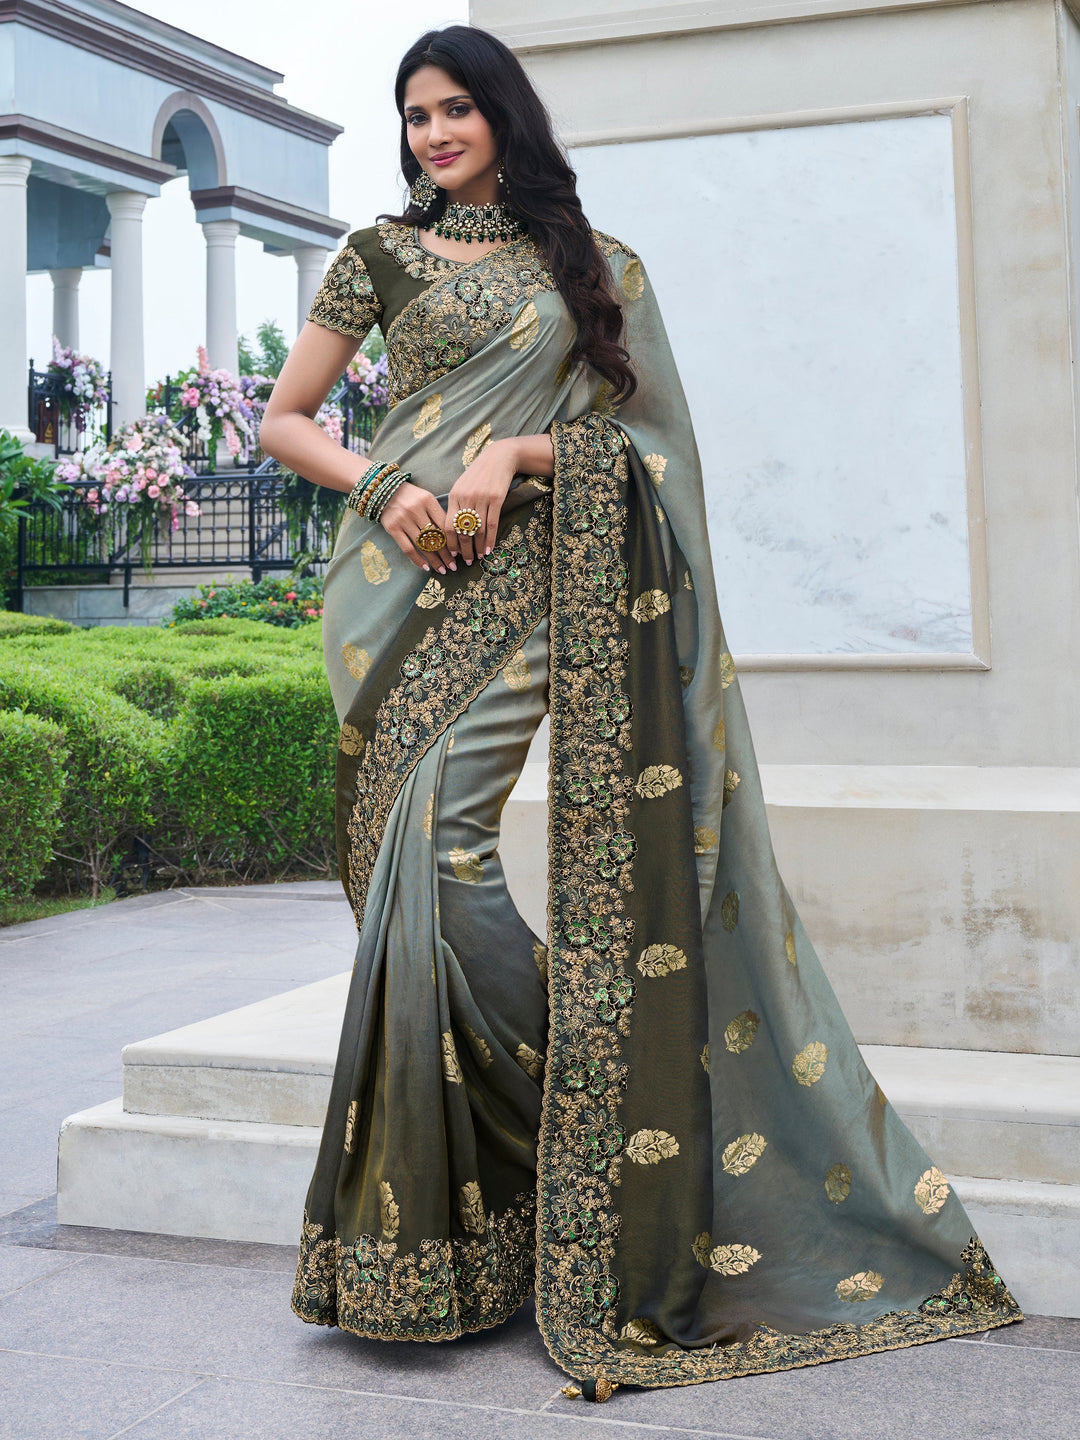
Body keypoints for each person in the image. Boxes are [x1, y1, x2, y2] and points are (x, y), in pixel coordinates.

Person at [258, 22, 1021, 1403]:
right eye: (414, 114)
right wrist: (384, 485)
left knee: (442, 859)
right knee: (391, 875)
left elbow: (656, 447)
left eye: (456, 110)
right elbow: (286, 418)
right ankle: (584, 1107)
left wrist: (512, 450)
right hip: (390, 587)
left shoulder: (593, 266)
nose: (433, 134)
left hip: (530, 585)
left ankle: (599, 1100)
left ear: (503, 115)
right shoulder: (375, 253)